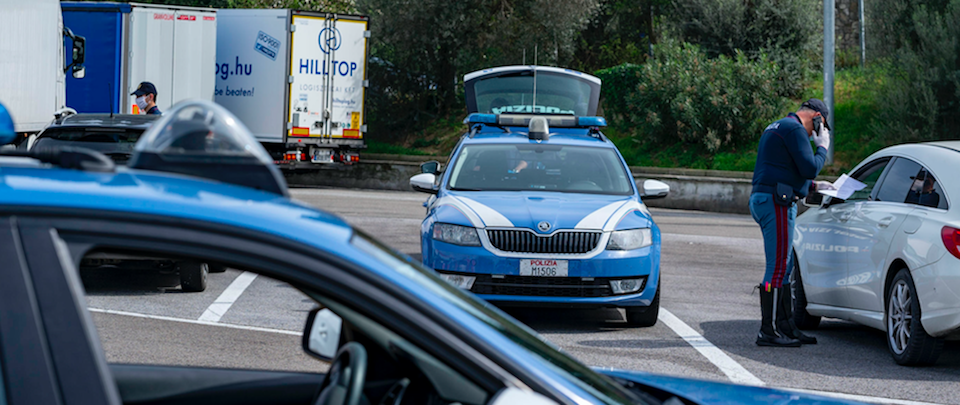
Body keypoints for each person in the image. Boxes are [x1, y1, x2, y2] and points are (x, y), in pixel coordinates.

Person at [750, 98, 832, 347]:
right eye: (820, 127)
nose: (816, 133)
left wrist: (816, 187)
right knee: (777, 268)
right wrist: (822, 147)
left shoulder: (778, 125)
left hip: (767, 198)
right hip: (776, 202)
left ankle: (786, 326)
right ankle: (769, 330)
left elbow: (784, 168)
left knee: (783, 267)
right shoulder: (795, 129)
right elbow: (809, 168)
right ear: (817, 117)